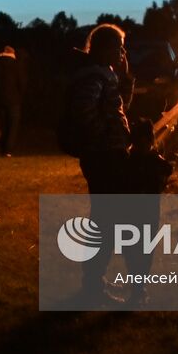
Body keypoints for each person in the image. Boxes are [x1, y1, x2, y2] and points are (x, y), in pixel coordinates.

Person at [62, 23, 134, 303]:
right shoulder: (92, 76)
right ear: (104, 48)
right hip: (102, 156)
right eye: (119, 46)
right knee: (106, 219)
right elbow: (84, 112)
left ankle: (95, 281)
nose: (122, 52)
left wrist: (126, 78)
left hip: (108, 153)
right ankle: (92, 284)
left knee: (109, 218)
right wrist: (105, 141)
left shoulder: (106, 74)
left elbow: (118, 108)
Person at [123, 118, 172, 306]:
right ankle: (137, 285)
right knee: (135, 249)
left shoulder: (149, 161)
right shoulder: (136, 161)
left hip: (144, 214)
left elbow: (165, 172)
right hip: (139, 213)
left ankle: (138, 286)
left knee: (141, 249)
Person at [0, 44, 24, 156]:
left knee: (4, 124)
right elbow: (21, 82)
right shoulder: (16, 64)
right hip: (14, 99)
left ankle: (2, 147)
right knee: (12, 125)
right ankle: (8, 149)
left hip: (0, 98)